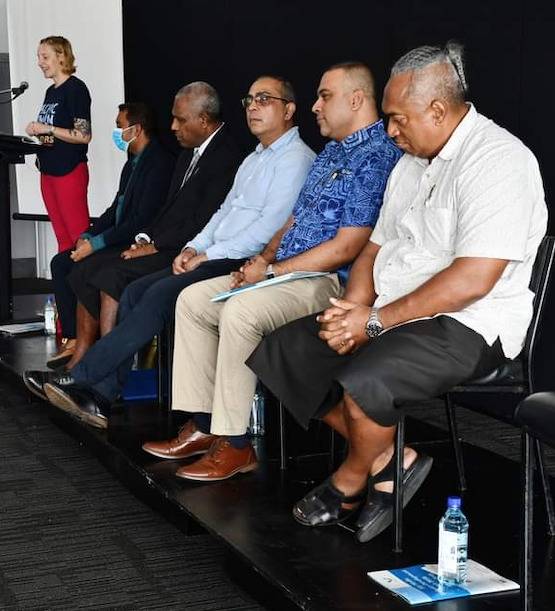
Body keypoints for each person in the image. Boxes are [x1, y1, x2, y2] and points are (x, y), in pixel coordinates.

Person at [245, 42, 548, 543]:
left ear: (437, 109)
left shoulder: (499, 160)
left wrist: (374, 323)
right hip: (390, 312)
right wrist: (355, 307)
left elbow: (472, 280)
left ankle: (351, 478)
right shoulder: (410, 163)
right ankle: (391, 459)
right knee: (287, 351)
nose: (389, 131)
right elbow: (370, 251)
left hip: (470, 323)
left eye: (397, 118)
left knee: (367, 378)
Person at [142, 62, 402, 482]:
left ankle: (237, 444)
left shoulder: (377, 157)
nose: (315, 106)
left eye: (325, 96)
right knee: (191, 300)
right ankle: (207, 424)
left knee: (240, 314)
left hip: (330, 283)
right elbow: (292, 222)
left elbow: (348, 247)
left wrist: (274, 270)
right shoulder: (334, 150)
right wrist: (262, 261)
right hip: (286, 273)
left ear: (356, 100)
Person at [27, 76, 317, 425]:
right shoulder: (254, 159)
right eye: (250, 99)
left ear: (289, 110)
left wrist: (205, 255)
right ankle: (101, 398)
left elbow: (267, 230)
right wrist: (194, 247)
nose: (252, 106)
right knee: (134, 291)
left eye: (264, 99)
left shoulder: (296, 160)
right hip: (212, 253)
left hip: (241, 261)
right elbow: (222, 213)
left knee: (156, 294)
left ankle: (85, 378)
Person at [22, 81, 243, 399]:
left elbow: (205, 220)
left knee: (112, 276)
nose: (173, 127)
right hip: (168, 244)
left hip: (193, 253)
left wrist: (156, 245)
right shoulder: (186, 156)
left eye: (180, 120)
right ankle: (84, 364)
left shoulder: (226, 157)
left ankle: (98, 382)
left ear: (204, 120)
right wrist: (144, 239)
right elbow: (164, 212)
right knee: (85, 270)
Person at [46, 103, 174, 370]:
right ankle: (73, 340)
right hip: (117, 237)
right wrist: (88, 234)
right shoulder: (132, 163)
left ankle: (93, 354)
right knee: (62, 262)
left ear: (136, 129)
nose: (117, 133)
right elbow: (115, 208)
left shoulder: (160, 162)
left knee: (87, 267)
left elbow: (143, 219)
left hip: (138, 242)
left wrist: (97, 245)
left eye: (120, 126)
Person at [26, 36, 92, 252]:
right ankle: (64, 285)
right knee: (62, 239)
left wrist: (48, 129)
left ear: (61, 57)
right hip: (48, 170)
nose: (40, 62)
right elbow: (53, 136)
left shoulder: (76, 88)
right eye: (38, 57)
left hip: (68, 171)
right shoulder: (51, 91)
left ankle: (83, 284)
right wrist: (37, 134)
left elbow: (83, 135)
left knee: (78, 238)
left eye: (45, 56)